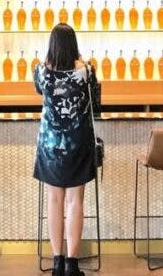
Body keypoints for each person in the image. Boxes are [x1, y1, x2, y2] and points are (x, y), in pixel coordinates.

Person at [33, 23, 101, 276]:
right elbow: (95, 100)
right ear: (74, 45)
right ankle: (72, 264)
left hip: (50, 145)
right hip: (78, 142)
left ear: (51, 45)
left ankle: (57, 262)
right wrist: (83, 64)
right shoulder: (87, 71)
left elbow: (40, 90)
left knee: (54, 200)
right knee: (75, 201)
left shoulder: (41, 71)